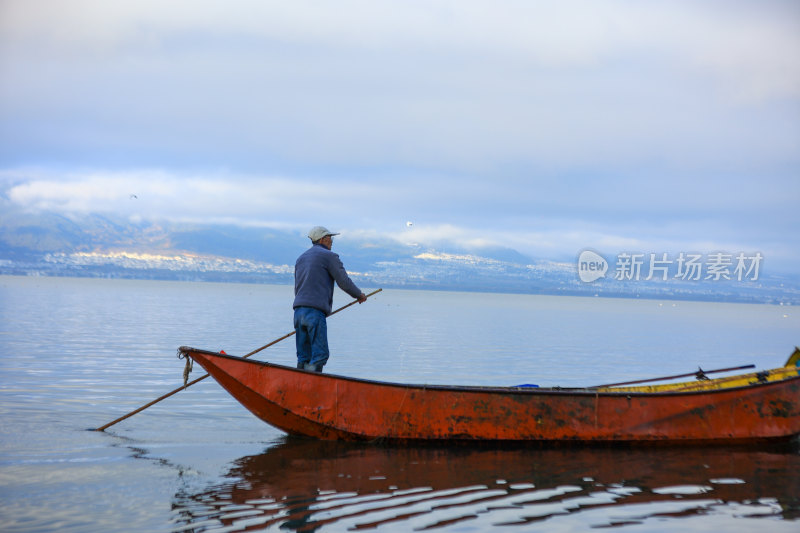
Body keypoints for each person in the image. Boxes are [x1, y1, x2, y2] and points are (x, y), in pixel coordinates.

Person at [293, 226, 367, 372]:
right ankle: (312, 387)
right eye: (330, 238)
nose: (332, 241)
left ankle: (299, 384)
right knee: (320, 355)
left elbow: (298, 284)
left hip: (298, 312)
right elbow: (344, 282)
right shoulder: (329, 256)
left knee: (303, 356)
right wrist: (359, 295)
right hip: (314, 312)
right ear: (322, 239)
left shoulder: (300, 258)